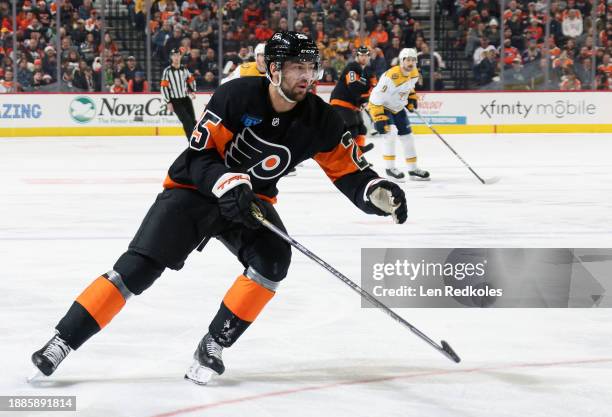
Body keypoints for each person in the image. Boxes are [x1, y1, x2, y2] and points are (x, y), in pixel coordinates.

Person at [30, 31, 408, 385]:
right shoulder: (237, 96)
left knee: (273, 260)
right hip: (194, 191)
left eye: (311, 68)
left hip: (250, 204)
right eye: (297, 67)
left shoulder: (321, 120)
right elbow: (199, 157)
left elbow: (350, 171)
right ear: (273, 69)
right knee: (138, 269)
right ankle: (63, 340)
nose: (307, 77)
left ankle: (214, 343)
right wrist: (228, 181)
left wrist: (375, 191)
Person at [368, 48, 430, 182]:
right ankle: (390, 169)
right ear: (401, 61)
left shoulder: (414, 72)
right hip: (382, 106)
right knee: (390, 134)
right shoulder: (390, 77)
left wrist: (411, 98)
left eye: (413, 60)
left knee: (408, 137)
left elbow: (409, 87)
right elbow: (376, 97)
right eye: (407, 60)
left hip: (397, 107)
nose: (411, 63)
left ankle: (413, 169)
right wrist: (378, 118)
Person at [330, 46, 377, 154]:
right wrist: (366, 95)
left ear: (369, 57)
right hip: (340, 102)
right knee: (352, 129)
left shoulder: (365, 72)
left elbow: (367, 89)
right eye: (361, 55)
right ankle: (341, 155)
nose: (364, 58)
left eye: (366, 55)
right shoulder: (353, 67)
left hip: (351, 105)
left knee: (362, 129)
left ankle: (357, 155)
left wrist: (366, 97)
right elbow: (353, 86)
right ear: (357, 56)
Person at [161, 48, 197, 140]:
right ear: (171, 57)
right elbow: (164, 87)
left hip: (185, 98)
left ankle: (197, 140)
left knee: (193, 121)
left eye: (178, 55)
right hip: (175, 101)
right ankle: (191, 142)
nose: (176, 57)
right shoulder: (167, 71)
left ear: (180, 56)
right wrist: (168, 102)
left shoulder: (184, 69)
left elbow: (190, 79)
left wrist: (192, 90)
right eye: (174, 55)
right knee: (186, 120)